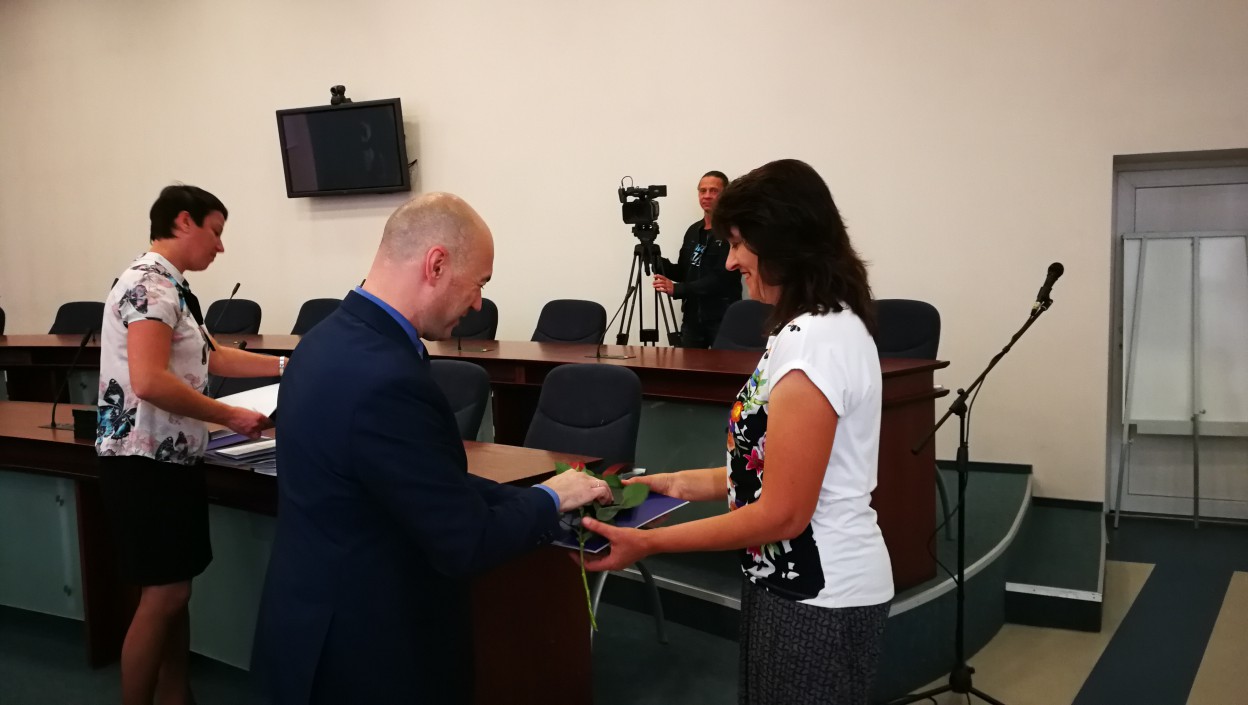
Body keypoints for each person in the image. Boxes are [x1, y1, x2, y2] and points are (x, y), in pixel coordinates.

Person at [252, 192, 611, 705]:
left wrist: (534, 493)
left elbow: (416, 480)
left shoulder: (323, 341)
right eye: (480, 283)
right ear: (436, 264)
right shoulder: (387, 377)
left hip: (308, 621)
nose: (479, 303)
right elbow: (464, 542)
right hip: (372, 652)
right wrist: (550, 500)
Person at [586, 159, 892, 705]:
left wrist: (648, 542)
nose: (730, 262)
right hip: (784, 581)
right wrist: (667, 485)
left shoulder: (818, 340)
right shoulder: (805, 329)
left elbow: (783, 513)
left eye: (736, 244)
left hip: (821, 594)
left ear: (779, 242)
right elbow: (762, 471)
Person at [96, 184, 282, 705]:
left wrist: (290, 363)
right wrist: (230, 415)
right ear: (183, 221)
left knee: (173, 593)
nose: (220, 246)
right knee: (165, 595)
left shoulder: (170, 286)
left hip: (168, 458)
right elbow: (150, 380)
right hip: (144, 462)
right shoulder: (150, 286)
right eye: (215, 232)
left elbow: (213, 357)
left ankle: (176, 696)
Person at [652, 170, 742, 347]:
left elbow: (722, 277)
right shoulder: (693, 231)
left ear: (726, 194)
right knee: (688, 364)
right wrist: (654, 258)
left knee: (724, 365)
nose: (707, 195)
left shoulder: (732, 231)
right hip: (692, 318)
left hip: (722, 318)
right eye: (702, 190)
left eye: (714, 191)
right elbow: (683, 272)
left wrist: (678, 289)